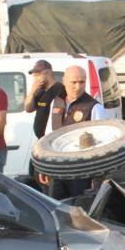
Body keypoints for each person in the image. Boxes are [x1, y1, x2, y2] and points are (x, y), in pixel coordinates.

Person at [43, 65, 109, 198]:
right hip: (58, 169)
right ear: (64, 81)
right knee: (57, 208)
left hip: (81, 173)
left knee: (79, 210)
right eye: (74, 82)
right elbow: (48, 137)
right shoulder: (56, 102)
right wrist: (44, 166)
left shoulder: (94, 107)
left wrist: (96, 178)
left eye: (82, 82)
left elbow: (103, 146)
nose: (78, 87)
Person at [24, 59, 64, 139]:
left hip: (52, 137)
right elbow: (28, 109)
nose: (35, 78)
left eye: (38, 74)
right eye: (34, 75)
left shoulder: (60, 89)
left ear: (47, 72)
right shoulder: (39, 91)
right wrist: (32, 90)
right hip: (41, 139)